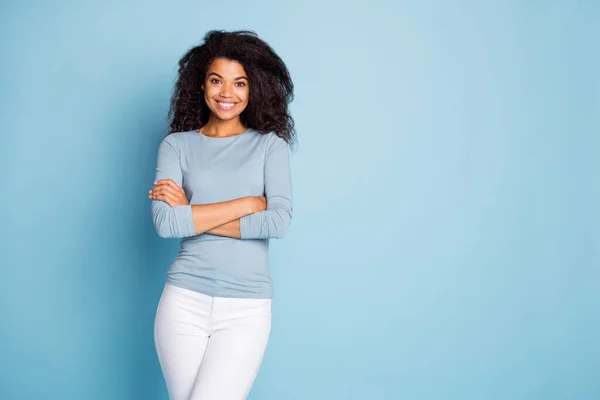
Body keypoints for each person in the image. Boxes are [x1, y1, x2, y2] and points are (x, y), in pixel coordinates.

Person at [148, 30, 295, 400]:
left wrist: (191, 214)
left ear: (253, 89)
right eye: (217, 80)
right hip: (182, 301)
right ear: (201, 84)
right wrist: (247, 204)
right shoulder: (176, 145)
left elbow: (278, 221)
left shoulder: (269, 147)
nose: (227, 92)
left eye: (239, 83)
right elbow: (166, 223)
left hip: (246, 306)